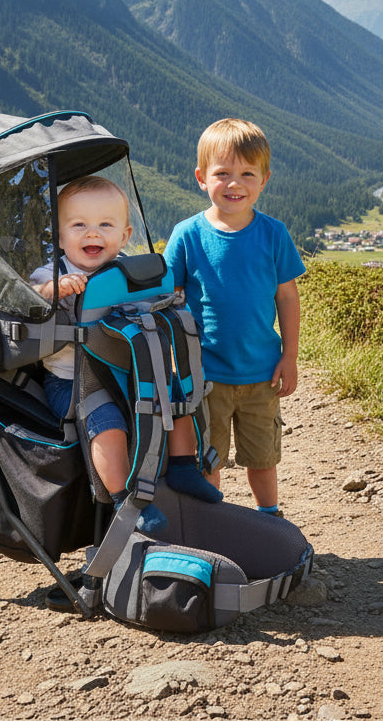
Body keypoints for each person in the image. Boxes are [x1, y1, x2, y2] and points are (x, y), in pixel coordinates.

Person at [31, 176, 219, 534]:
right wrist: (53, 291)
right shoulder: (55, 273)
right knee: (106, 423)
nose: (92, 233)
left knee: (176, 396)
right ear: (59, 237)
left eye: (106, 225)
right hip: (72, 381)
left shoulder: (129, 271)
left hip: (132, 373)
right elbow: (28, 296)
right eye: (79, 225)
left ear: (125, 235)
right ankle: (125, 499)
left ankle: (184, 466)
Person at [164, 119, 305, 517]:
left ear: (264, 180)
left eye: (247, 174)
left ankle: (269, 517)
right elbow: (168, 297)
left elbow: (287, 297)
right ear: (201, 178)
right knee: (208, 459)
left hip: (262, 374)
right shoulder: (187, 235)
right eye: (222, 173)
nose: (234, 184)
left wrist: (290, 356)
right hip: (205, 375)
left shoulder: (274, 234)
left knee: (263, 457)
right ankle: (212, 523)